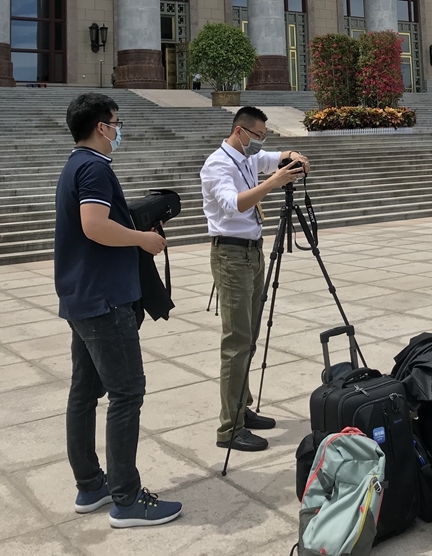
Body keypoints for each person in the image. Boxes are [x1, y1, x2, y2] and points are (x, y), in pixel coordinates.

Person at [55, 93, 182, 528]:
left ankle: (92, 485)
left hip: (82, 297)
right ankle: (127, 499)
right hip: (105, 300)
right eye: (115, 122)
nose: (118, 129)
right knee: (127, 393)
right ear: (101, 127)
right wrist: (142, 239)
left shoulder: (75, 165)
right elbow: (94, 225)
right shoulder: (93, 167)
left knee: (84, 392)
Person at [201, 105, 310, 452]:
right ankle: (229, 429)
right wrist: (274, 182)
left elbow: (274, 157)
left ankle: (241, 407)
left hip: (252, 252)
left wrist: (294, 157)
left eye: (263, 136)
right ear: (240, 131)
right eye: (257, 136)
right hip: (230, 255)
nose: (260, 142)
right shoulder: (218, 164)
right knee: (236, 342)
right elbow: (234, 204)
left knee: (249, 337)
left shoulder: (247, 158)